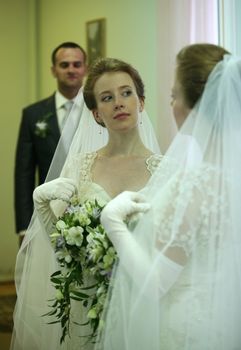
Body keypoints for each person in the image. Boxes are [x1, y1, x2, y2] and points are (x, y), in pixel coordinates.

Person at [10, 57, 161, 350]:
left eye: (126, 93)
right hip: (88, 302)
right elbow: (61, 247)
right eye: (107, 97)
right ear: (95, 114)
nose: (119, 103)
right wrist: (42, 206)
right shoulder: (80, 167)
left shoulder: (166, 170)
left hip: (143, 301)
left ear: (141, 102)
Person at [97, 43, 241, 350]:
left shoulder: (195, 184)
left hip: (186, 328)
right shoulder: (231, 176)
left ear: (194, 106)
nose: (171, 104)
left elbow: (156, 283)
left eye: (174, 95)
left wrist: (113, 222)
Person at [14, 41, 87, 245]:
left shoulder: (98, 112)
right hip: (46, 212)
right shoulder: (33, 114)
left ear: (85, 68)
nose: (71, 70)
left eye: (76, 64)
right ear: (53, 70)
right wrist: (23, 226)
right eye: (64, 65)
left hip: (90, 209)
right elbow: (24, 173)